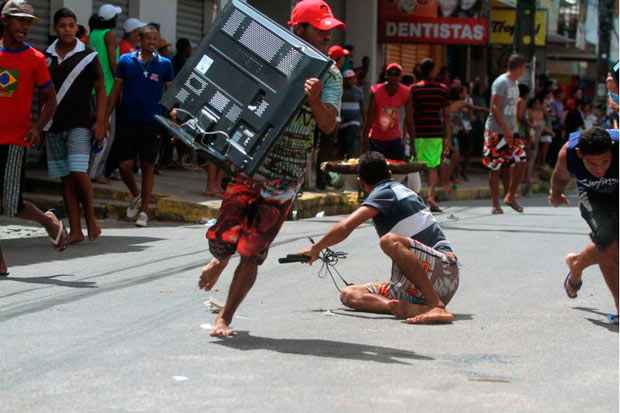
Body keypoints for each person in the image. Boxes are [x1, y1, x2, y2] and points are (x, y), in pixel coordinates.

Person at [197, 0, 343, 337]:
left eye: (329, 29)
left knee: (252, 250)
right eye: (319, 29)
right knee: (225, 232)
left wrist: (316, 100)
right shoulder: (271, 57)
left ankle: (226, 318)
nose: (326, 35)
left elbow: (328, 125)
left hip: (286, 174)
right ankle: (219, 262)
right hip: (249, 162)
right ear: (298, 29)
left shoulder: (330, 74)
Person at [300, 152, 460, 324]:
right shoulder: (401, 190)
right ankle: (397, 306)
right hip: (425, 283)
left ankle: (436, 305)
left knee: (389, 241)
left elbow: (346, 225)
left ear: (361, 182)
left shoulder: (386, 192)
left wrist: (316, 248)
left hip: (442, 271)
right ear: (389, 174)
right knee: (349, 294)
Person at [0, 0, 66, 276]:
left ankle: (48, 221)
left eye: (28, 22)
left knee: (11, 205)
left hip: (15, 140)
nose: (24, 27)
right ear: (5, 20)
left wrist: (38, 126)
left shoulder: (35, 59)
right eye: (19, 20)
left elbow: (50, 98)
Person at [44, 7, 107, 244]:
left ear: (77, 28)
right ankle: (76, 230)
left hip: (81, 122)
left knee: (79, 171)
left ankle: (91, 219)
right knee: (66, 178)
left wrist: (101, 121)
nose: (67, 30)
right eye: (62, 26)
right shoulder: (46, 56)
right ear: (55, 29)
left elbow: (101, 87)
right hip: (53, 124)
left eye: (71, 25)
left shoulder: (88, 55)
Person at [106, 24, 174, 227]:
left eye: (156, 39)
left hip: (152, 122)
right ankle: (136, 195)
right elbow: (116, 91)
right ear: (140, 40)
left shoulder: (165, 64)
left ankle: (144, 210)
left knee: (147, 166)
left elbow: (170, 94)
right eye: (148, 39)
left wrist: (172, 118)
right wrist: (104, 118)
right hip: (127, 119)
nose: (152, 42)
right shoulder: (126, 61)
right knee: (124, 166)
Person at [549, 127, 618, 324]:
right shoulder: (568, 153)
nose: (600, 169)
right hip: (592, 197)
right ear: (580, 155)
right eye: (592, 163)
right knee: (608, 248)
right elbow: (560, 176)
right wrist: (555, 195)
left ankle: (577, 264)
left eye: (605, 161)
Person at [483, 54, 528, 214]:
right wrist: (506, 129)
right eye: (524, 67)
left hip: (512, 131)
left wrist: (513, 128)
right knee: (495, 166)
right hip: (496, 131)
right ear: (519, 67)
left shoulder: (515, 83)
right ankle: (495, 204)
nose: (525, 71)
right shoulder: (501, 82)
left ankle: (510, 195)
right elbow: (494, 107)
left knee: (521, 161)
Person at [410, 58, 450, 212]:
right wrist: (447, 136)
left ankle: (414, 197)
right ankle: (430, 196)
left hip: (418, 132)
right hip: (435, 132)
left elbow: (410, 113)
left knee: (415, 166)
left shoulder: (414, 89)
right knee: (433, 166)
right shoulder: (441, 89)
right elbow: (446, 115)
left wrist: (408, 132)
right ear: (433, 71)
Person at [88, 3, 121, 184]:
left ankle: (89, 169)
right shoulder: (109, 35)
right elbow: (112, 62)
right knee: (107, 132)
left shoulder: (92, 34)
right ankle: (95, 172)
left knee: (94, 130)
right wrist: (121, 78)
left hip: (92, 89)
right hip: (106, 89)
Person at [362, 63, 414, 162]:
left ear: (400, 76)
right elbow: (369, 118)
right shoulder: (376, 91)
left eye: (396, 74)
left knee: (397, 171)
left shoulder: (405, 92)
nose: (393, 77)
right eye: (391, 74)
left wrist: (412, 144)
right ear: (386, 75)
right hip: (376, 139)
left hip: (394, 139)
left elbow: (409, 120)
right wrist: (364, 141)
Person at [338, 69, 364, 159]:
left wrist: (363, 120)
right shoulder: (339, 90)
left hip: (354, 121)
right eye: (348, 79)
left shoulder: (358, 91)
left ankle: (350, 158)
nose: (350, 80)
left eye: (352, 78)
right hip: (341, 121)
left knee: (351, 138)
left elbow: (362, 106)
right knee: (342, 141)